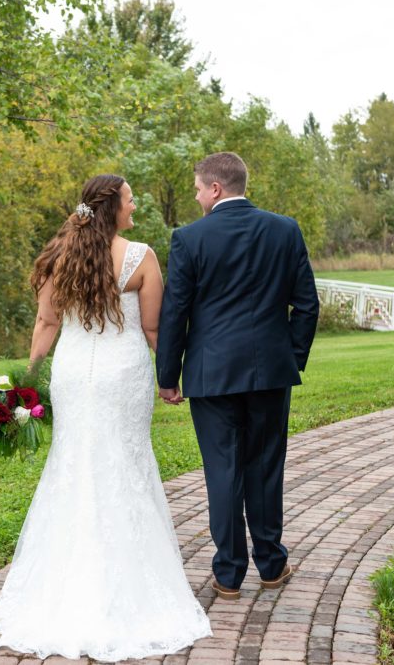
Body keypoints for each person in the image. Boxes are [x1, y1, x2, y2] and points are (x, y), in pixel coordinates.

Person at [0, 174, 211, 661]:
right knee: (124, 466)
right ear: (113, 208)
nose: (135, 207)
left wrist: (27, 379)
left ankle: (65, 582)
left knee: (74, 463)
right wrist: (171, 376)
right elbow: (153, 328)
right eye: (130, 200)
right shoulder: (140, 257)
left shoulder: (58, 257)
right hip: (121, 375)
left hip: (72, 375)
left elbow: (46, 323)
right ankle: (127, 586)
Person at [155, 152, 319, 600]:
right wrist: (291, 357)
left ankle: (228, 574)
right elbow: (307, 305)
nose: (194, 195)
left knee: (223, 469)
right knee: (265, 466)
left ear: (215, 189)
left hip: (211, 375)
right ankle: (271, 563)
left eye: (196, 187)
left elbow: (176, 314)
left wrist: (168, 376)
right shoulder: (285, 230)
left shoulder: (189, 239)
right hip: (271, 371)